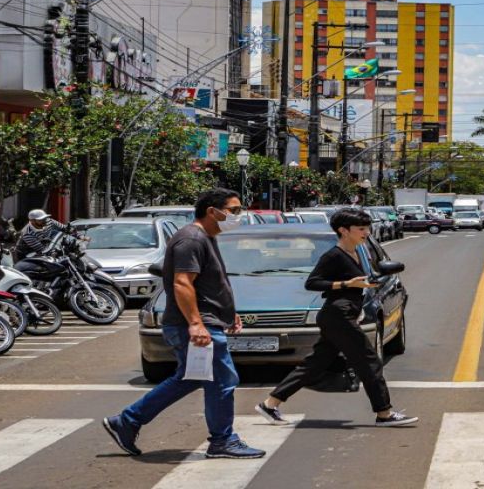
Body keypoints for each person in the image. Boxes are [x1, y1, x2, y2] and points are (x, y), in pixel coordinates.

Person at [103, 188, 265, 459]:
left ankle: (128, 421)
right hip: (193, 326)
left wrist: (227, 313)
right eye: (234, 211)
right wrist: (196, 324)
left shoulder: (206, 237)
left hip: (206, 322)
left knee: (192, 379)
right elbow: (182, 283)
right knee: (223, 381)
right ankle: (222, 440)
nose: (239, 216)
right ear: (213, 211)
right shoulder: (191, 239)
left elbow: (208, 285)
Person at [257, 208, 418, 428]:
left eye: (367, 227)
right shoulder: (334, 255)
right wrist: (346, 284)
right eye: (361, 229)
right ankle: (384, 413)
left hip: (344, 314)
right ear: (343, 230)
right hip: (338, 315)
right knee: (370, 363)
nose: (366, 232)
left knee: (316, 364)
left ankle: (270, 404)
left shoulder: (357, 252)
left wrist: (366, 283)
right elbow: (312, 282)